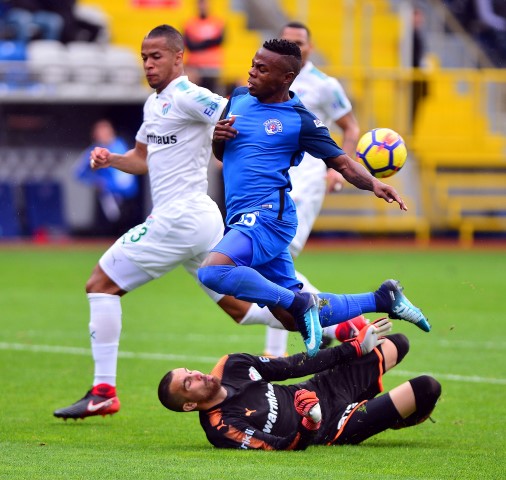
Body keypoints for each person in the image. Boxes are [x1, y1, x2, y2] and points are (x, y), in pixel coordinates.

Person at [197, 38, 431, 358]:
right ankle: (383, 298)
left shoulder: (299, 119)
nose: (251, 72)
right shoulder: (237, 98)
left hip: (268, 216)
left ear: (286, 78)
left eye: (261, 69)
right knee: (292, 320)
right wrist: (217, 139)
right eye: (252, 65)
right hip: (243, 216)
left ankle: (300, 301)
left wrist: (374, 184)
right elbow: (223, 153)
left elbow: (342, 163)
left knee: (212, 272)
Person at [158, 319, 442, 450]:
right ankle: (387, 417)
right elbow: (281, 447)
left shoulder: (231, 365)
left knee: (397, 343)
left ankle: (389, 414)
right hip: (331, 426)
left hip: (325, 387)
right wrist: (310, 424)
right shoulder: (223, 427)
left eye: (190, 371)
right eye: (188, 382)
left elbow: (293, 366)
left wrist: (354, 347)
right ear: (190, 405)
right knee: (427, 387)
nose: (197, 374)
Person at [263, 21, 361, 357]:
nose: (294, 47)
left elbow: (350, 127)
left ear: (311, 47)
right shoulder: (272, 80)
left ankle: (281, 349)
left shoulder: (324, 85)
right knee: (272, 262)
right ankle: (335, 324)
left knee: (276, 257)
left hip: (307, 180)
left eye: (300, 42)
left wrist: (337, 169)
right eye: (287, 41)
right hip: (275, 178)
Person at [74, 119, 142, 237]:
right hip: (107, 197)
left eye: (105, 131)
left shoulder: (121, 146)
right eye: (99, 132)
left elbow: (127, 180)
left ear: (111, 132)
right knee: (107, 234)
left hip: (127, 197)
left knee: (127, 233)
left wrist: (111, 185)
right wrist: (96, 181)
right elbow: (78, 172)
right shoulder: (95, 150)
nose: (102, 135)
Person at [183, 0, 225, 92]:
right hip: (194, 66)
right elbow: (189, 44)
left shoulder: (217, 22)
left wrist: (198, 43)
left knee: (213, 93)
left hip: (212, 65)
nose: (202, 6)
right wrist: (208, 42)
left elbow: (220, 40)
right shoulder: (189, 23)